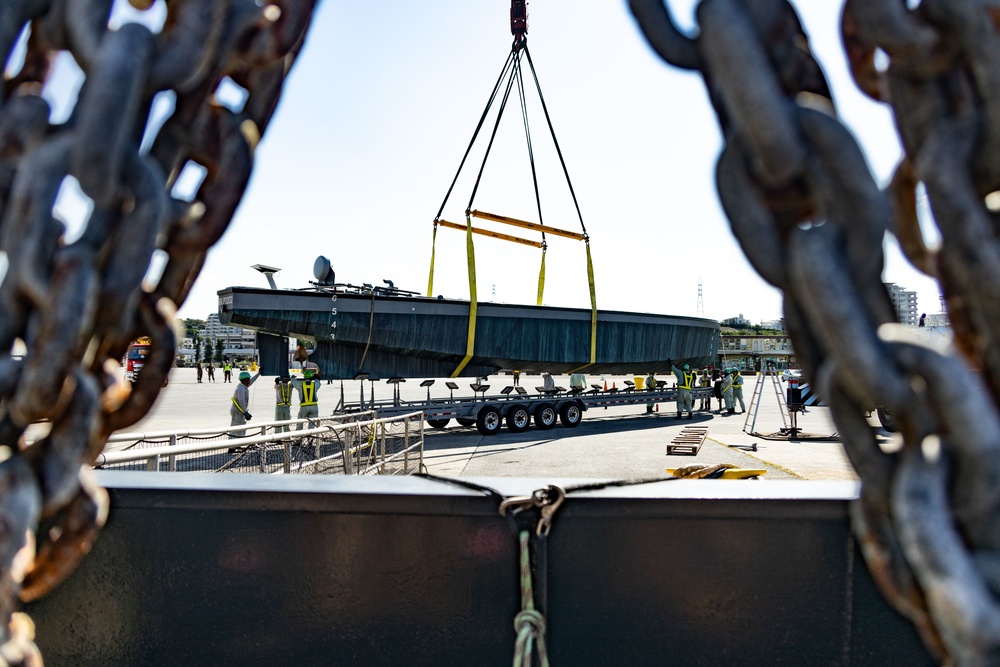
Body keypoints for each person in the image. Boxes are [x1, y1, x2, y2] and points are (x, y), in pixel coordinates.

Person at [229, 370, 261, 437]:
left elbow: (251, 381)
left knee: (241, 428)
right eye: (248, 379)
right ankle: (232, 445)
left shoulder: (243, 386)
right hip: (238, 412)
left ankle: (238, 444)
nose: (250, 380)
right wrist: (245, 412)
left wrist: (258, 374)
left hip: (241, 411)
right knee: (235, 428)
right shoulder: (241, 389)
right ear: (245, 380)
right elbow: (241, 401)